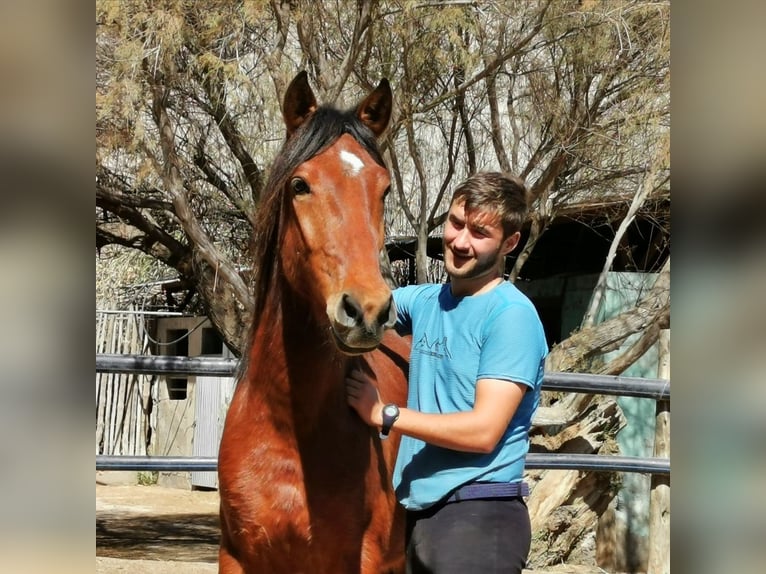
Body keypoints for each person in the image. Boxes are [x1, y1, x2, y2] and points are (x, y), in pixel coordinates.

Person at [345, 171, 548, 574]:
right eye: (455, 223)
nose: (459, 241)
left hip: (479, 514)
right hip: (421, 513)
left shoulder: (511, 317)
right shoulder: (426, 301)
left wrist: (386, 414)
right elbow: (360, 307)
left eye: (479, 232)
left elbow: (483, 430)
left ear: (510, 243)